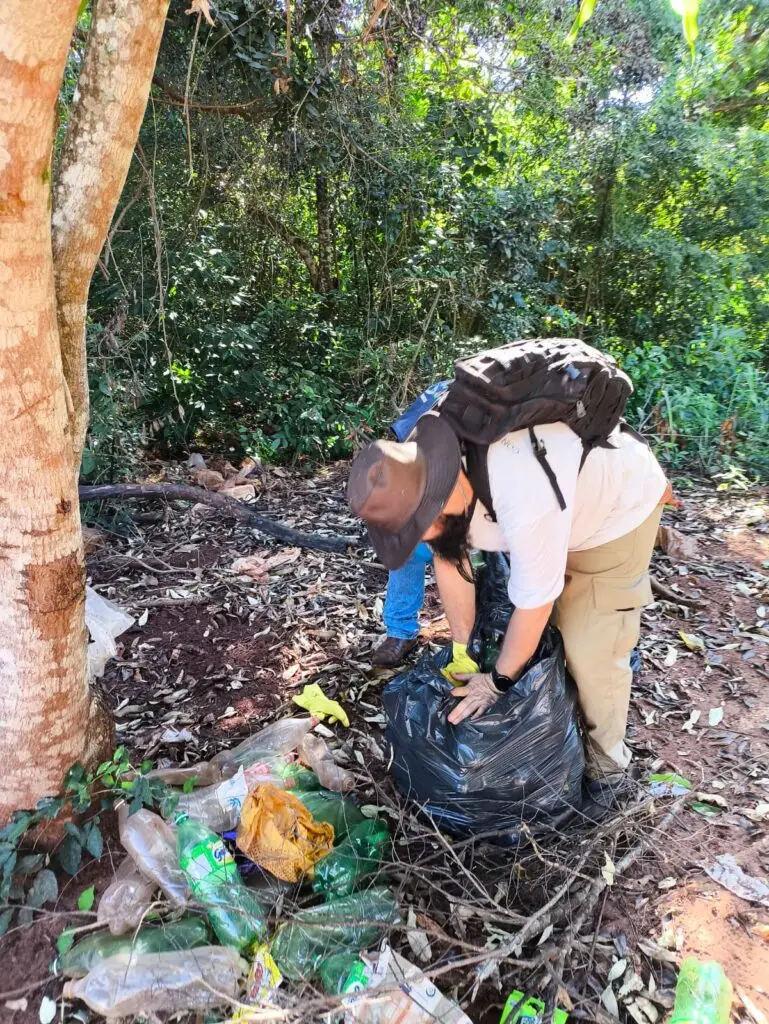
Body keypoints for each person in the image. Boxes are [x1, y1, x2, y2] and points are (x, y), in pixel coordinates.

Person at [347, 401, 670, 783]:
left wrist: (497, 681)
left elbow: (534, 603)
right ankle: (564, 705)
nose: (422, 536)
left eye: (420, 527)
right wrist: (464, 650)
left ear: (437, 499)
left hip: (615, 507)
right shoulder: (424, 468)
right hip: (558, 500)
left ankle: (607, 768)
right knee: (540, 631)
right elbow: (451, 561)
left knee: (590, 644)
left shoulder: (520, 493)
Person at [370, 381, 448, 668]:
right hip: (427, 498)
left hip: (475, 512)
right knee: (407, 550)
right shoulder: (439, 394)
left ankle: (478, 633)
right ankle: (400, 631)